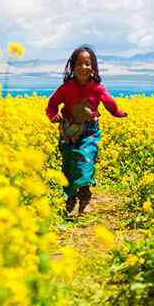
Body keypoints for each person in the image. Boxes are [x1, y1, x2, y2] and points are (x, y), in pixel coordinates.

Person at [46, 45, 127, 217]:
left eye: (87, 64)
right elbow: (52, 105)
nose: (83, 67)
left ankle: (84, 196)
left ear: (93, 67)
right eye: (79, 64)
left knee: (85, 159)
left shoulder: (97, 88)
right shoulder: (66, 88)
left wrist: (117, 113)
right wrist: (54, 115)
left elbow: (109, 103)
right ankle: (70, 198)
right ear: (72, 67)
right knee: (68, 164)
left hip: (90, 131)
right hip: (69, 132)